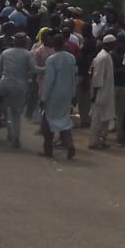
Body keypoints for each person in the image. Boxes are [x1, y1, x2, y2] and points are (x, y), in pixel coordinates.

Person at [39, 32, 78, 160]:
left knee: (47, 122)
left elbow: (49, 81)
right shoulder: (71, 58)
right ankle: (70, 144)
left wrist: (44, 98)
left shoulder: (52, 59)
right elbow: (73, 77)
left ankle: (48, 150)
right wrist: (73, 94)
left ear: (53, 44)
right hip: (66, 94)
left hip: (54, 94)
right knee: (64, 120)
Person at [88, 36, 116, 150]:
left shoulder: (107, 55)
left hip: (107, 92)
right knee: (97, 119)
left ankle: (102, 140)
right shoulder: (102, 57)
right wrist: (94, 94)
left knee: (106, 118)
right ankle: (93, 142)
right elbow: (97, 77)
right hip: (100, 92)